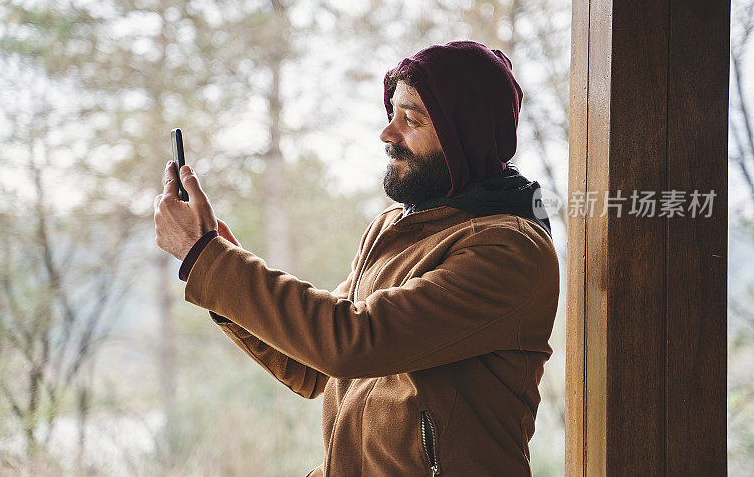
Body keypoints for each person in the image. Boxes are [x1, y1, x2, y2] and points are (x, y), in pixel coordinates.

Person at [153, 40, 559, 476]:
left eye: (411, 119)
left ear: (466, 132)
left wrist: (208, 259)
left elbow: (352, 342)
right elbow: (312, 367)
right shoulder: (394, 228)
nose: (388, 133)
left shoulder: (510, 250)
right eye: (391, 114)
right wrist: (220, 263)